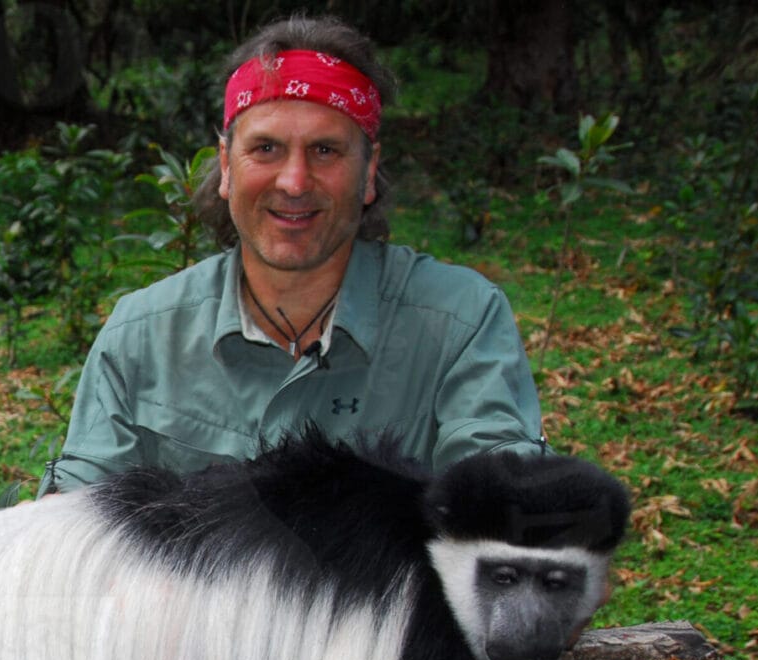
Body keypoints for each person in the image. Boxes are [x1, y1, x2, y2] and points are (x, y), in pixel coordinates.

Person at [39, 15, 545, 496]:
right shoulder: (141, 335)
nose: (295, 182)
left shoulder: (460, 323)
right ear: (226, 165)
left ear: (369, 172)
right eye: (266, 149)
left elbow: (500, 503)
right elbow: (79, 515)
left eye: (326, 150)